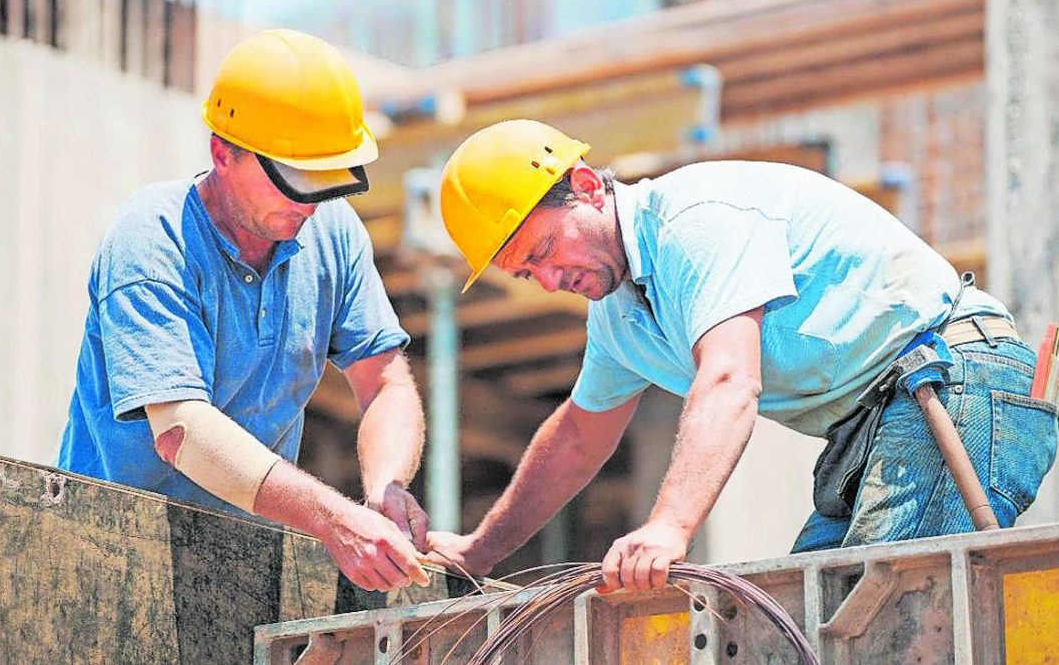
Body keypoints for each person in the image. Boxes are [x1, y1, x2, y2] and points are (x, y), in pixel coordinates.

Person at [425, 118, 1058, 593]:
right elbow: (576, 439)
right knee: (804, 624)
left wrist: (669, 526)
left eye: (543, 251)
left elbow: (730, 378)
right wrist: (481, 551)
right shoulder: (620, 317)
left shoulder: (695, 221)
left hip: (957, 381)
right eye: (526, 273)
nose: (548, 280)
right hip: (880, 424)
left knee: (879, 617)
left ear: (587, 187)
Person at [57, 29, 430, 593]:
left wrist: (386, 489)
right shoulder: (152, 238)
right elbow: (181, 430)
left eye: (326, 180)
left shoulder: (333, 233)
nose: (310, 203)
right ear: (222, 154)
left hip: (246, 561)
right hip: (108, 553)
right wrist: (334, 520)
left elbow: (384, 383)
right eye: (294, 179)